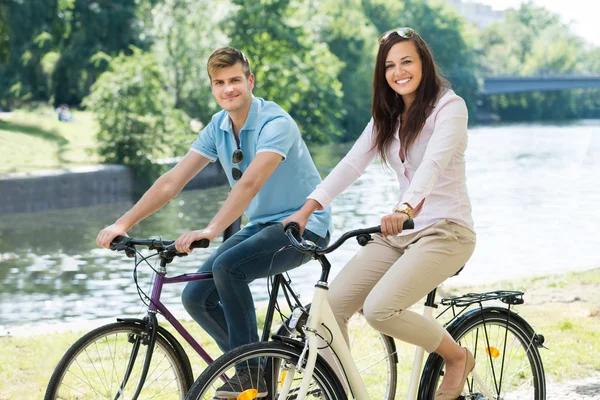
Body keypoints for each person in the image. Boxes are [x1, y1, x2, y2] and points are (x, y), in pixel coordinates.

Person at [96, 47, 331, 398]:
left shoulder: (275, 123)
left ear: (250, 81)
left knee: (229, 267)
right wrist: (123, 222)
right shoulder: (218, 127)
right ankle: (260, 364)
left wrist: (210, 229)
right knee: (196, 296)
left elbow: (250, 182)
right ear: (212, 87)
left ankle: (251, 373)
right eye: (219, 83)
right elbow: (172, 181)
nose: (228, 89)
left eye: (235, 80)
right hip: (262, 225)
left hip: (304, 226)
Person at [284, 28, 476, 400]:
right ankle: (344, 393)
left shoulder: (450, 107)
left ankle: (456, 359)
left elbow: (433, 165)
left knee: (379, 309)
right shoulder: (387, 116)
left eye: (407, 61)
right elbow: (352, 164)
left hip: (446, 231)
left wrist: (405, 207)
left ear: (424, 63)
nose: (398, 71)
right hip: (400, 234)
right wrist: (306, 209)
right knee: (327, 314)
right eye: (389, 65)